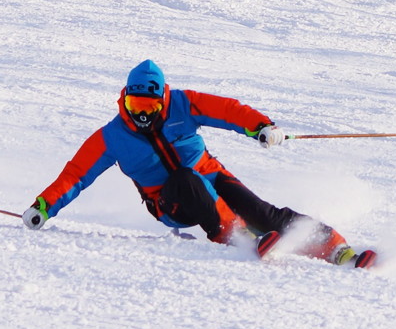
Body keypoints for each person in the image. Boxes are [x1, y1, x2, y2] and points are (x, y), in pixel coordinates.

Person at [22, 60, 373, 267]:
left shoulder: (183, 104)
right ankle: (238, 236)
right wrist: (44, 207)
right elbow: (76, 175)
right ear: (124, 100)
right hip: (171, 201)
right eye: (135, 107)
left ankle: (339, 250)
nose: (141, 116)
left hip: (211, 174)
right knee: (186, 180)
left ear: (162, 100)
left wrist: (261, 127)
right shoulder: (112, 138)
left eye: (149, 108)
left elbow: (227, 111)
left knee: (264, 213)